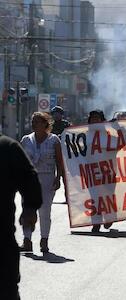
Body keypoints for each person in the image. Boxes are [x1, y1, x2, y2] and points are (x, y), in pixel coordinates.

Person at [0, 134, 42, 299]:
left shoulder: (6, 148)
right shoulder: (8, 146)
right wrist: (30, 207)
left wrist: (31, 207)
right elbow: (29, 177)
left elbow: (28, 177)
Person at [19, 112, 63, 253]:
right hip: (29, 179)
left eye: (38, 121)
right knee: (28, 210)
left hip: (47, 178)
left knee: (44, 211)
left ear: (46, 123)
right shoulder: (26, 140)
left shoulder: (54, 140)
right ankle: (27, 240)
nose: (35, 124)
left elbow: (59, 161)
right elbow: (19, 160)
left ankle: (44, 240)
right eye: (33, 121)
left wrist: (58, 178)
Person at [87, 110, 113, 232]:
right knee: (94, 198)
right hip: (92, 172)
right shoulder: (85, 135)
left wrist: (116, 127)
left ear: (102, 121)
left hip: (108, 172)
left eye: (97, 118)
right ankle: (96, 222)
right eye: (93, 118)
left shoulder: (108, 134)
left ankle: (109, 218)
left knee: (107, 197)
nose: (95, 121)